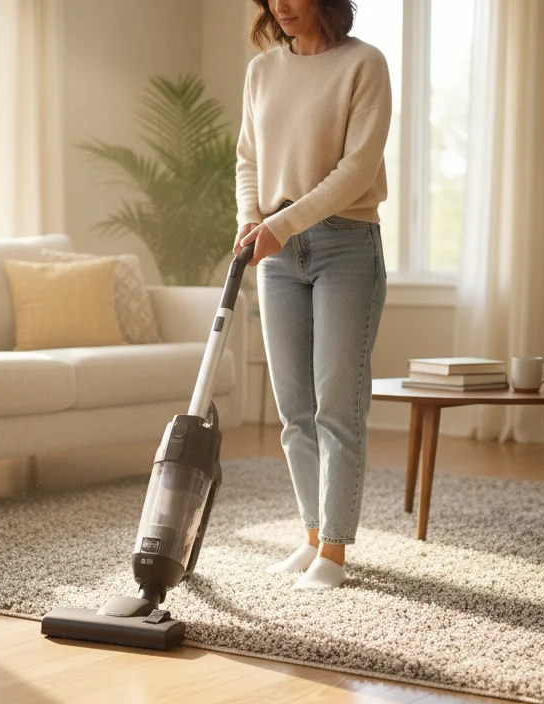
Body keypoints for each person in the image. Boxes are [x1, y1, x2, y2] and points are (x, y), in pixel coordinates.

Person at [234, 0, 392, 590]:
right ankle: (309, 537)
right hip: (275, 250)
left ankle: (335, 548)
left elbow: (357, 169)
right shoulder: (262, 71)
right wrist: (251, 220)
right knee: (294, 409)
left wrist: (281, 224)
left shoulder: (365, 65)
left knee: (337, 405)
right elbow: (248, 159)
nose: (281, 4)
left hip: (345, 247)